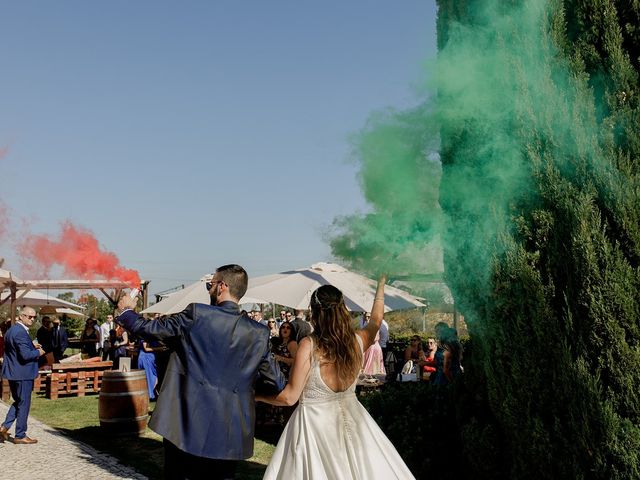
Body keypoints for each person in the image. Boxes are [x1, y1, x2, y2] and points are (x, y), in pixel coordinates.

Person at [116, 264, 286, 480]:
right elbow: (277, 383)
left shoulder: (197, 314)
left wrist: (127, 311)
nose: (208, 289)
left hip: (186, 423)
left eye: (209, 284)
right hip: (230, 430)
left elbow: (150, 329)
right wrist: (248, 392)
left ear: (222, 286)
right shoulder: (259, 333)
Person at [258, 275, 415, 479]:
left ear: (314, 313)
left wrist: (257, 396)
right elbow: (376, 320)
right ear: (342, 309)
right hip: (355, 418)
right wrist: (381, 284)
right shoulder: (358, 340)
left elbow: (289, 397)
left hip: (314, 429)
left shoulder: (309, 345)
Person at [0, 307, 46, 444]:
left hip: (14, 372)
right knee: (24, 403)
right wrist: (39, 352)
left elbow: (15, 350)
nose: (32, 319)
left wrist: (32, 346)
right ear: (21, 316)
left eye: (34, 317)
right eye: (29, 317)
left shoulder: (11, 330)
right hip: (22, 373)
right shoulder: (20, 332)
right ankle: (20, 435)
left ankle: (4, 427)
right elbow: (25, 355)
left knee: (19, 401)